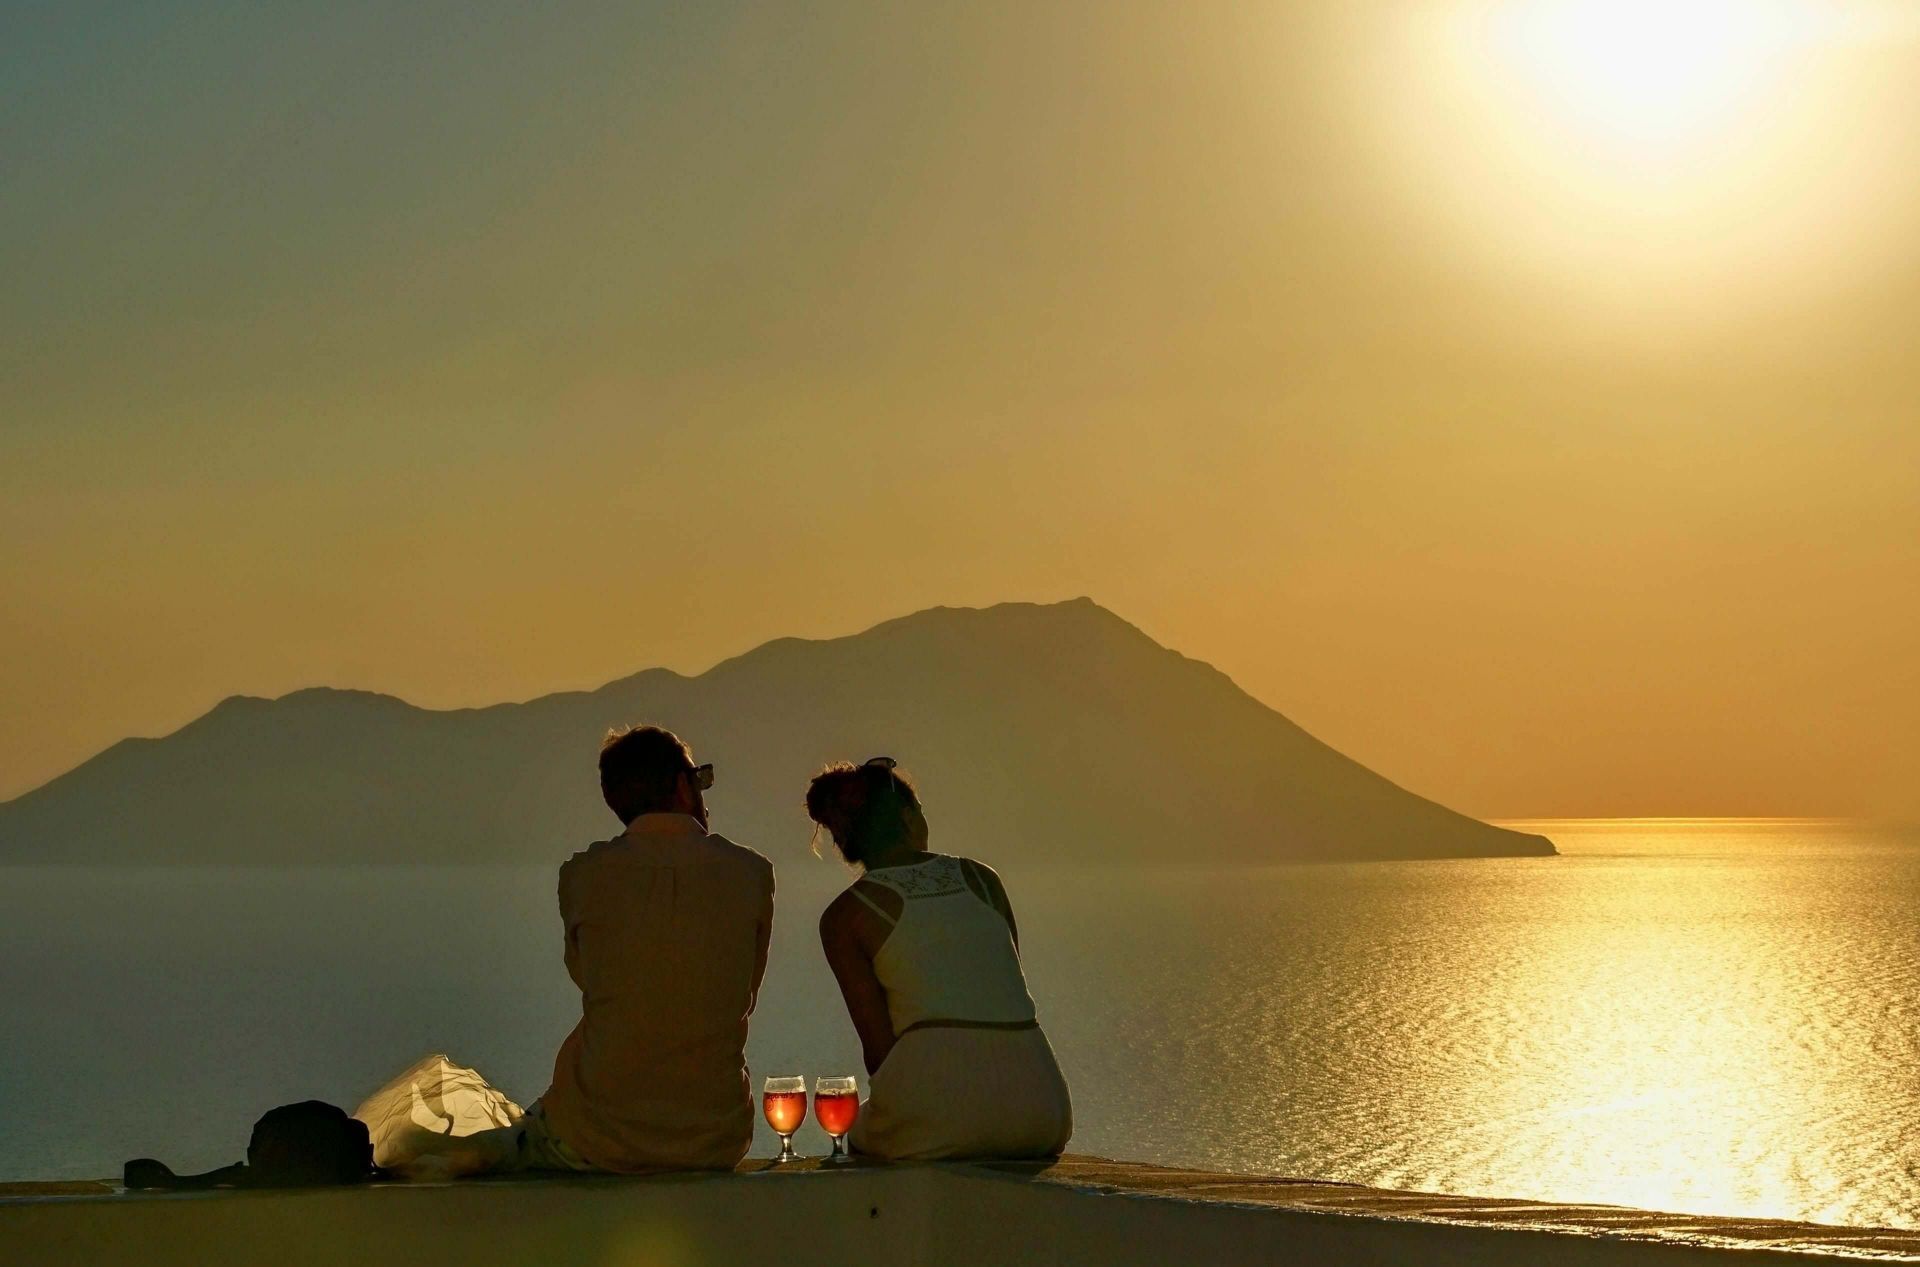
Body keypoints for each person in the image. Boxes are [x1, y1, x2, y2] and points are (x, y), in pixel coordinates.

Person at [406, 725, 775, 1178]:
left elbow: (593, 980)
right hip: (715, 1139)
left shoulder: (582, 875)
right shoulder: (753, 874)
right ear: (683, 786)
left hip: (598, 1138)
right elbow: (744, 994)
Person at [808, 757, 1071, 1161]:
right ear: (909, 819)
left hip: (936, 1116)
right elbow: (1003, 994)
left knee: (859, 1139)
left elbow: (879, 1053)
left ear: (848, 843)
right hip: (1042, 1112)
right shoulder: (983, 879)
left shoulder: (845, 917)